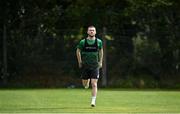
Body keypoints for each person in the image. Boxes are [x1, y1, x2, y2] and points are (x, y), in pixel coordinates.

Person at [76, 26, 103, 107]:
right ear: (87, 32)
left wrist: (100, 62)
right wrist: (80, 61)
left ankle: (93, 101)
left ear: (95, 32)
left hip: (95, 65)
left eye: (93, 30)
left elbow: (101, 51)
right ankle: (86, 82)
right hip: (85, 65)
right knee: (85, 84)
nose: (91, 31)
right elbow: (78, 51)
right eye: (90, 30)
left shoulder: (99, 42)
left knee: (94, 84)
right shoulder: (82, 42)